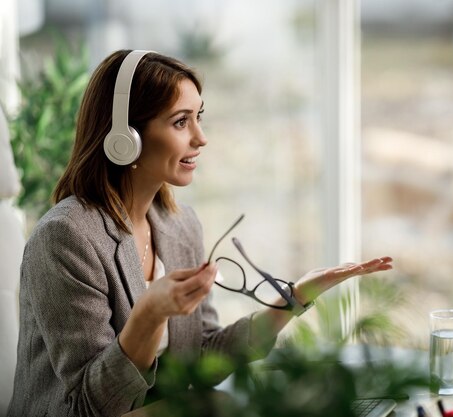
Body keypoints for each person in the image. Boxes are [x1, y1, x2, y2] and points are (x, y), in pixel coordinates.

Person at [7, 49, 393, 417]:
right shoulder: (66, 238)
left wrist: (293, 300)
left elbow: (202, 357)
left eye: (199, 117)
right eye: (180, 122)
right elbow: (90, 407)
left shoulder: (179, 225)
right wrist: (150, 315)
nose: (200, 137)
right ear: (124, 139)